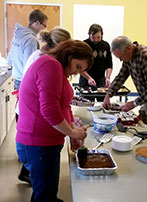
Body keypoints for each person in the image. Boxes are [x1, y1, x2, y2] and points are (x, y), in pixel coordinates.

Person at [16, 40, 94, 202]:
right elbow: (49, 109)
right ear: (70, 54)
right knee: (46, 195)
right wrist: (72, 131)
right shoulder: (50, 66)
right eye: (78, 66)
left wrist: (72, 131)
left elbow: (64, 106)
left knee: (44, 191)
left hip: (44, 144)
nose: (76, 72)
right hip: (37, 144)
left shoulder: (57, 68)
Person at [17, 27, 71, 185]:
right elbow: (48, 107)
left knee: (43, 181)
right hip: (34, 125)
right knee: (41, 178)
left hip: (36, 124)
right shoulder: (47, 62)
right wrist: (72, 132)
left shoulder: (49, 60)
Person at [102, 36, 147, 141]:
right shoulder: (128, 56)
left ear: (129, 48)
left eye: (121, 57)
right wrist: (108, 94)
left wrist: (134, 103)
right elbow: (121, 76)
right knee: (143, 126)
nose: (121, 60)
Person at [7, 9, 48, 90]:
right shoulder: (31, 40)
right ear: (37, 23)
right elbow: (30, 67)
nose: (44, 29)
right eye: (44, 26)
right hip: (25, 81)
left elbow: (9, 60)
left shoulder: (18, 35)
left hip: (17, 79)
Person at [79, 24, 113, 101]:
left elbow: (109, 64)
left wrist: (108, 77)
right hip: (86, 80)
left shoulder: (106, 45)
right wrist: (89, 78)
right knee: (87, 104)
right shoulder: (83, 45)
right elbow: (79, 67)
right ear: (89, 35)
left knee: (102, 104)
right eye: (93, 37)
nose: (96, 40)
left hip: (101, 80)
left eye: (98, 37)